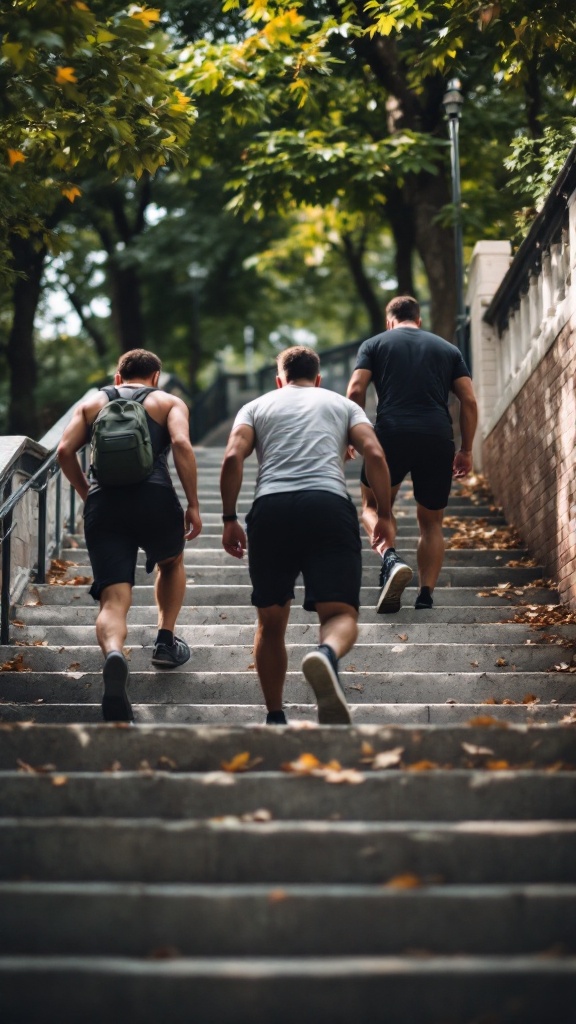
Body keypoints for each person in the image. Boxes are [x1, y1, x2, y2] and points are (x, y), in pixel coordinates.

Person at [219, 345, 394, 726]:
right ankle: (326, 655)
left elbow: (233, 457)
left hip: (270, 510)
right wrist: (385, 512)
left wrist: (229, 517)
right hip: (328, 507)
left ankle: (275, 715)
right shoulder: (342, 405)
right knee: (340, 614)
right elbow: (376, 455)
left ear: (278, 379)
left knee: (270, 621)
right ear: (318, 378)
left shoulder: (256, 406)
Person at [57, 349, 202, 722]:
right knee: (171, 563)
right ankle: (165, 642)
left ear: (118, 378)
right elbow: (183, 445)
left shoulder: (92, 404)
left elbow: (63, 450)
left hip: (105, 502)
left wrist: (87, 494)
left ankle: (115, 654)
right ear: (156, 376)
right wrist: (193, 504)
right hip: (154, 497)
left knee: (113, 596)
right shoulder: (168, 401)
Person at [346, 295, 478, 613]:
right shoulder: (448, 349)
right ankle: (425, 595)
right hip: (437, 437)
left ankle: (390, 559)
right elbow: (469, 401)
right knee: (431, 522)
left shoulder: (375, 344)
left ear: (389, 322)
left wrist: (351, 433)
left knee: (373, 506)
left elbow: (354, 390)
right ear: (419, 321)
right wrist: (466, 449)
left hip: (391, 436)